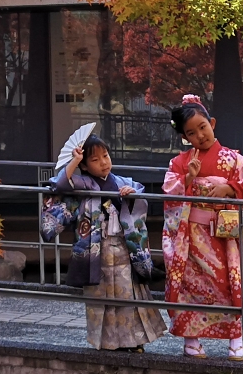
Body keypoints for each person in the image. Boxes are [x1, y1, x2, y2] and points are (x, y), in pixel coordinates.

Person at [41, 134, 166, 351]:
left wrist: (132, 193)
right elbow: (60, 184)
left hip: (124, 247)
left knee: (129, 294)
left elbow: (140, 191)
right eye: (95, 160)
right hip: (97, 250)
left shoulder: (122, 182)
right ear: (86, 166)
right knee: (102, 296)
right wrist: (74, 161)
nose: (103, 162)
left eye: (105, 156)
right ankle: (109, 342)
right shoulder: (83, 183)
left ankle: (134, 341)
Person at [162, 93, 243, 360]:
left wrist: (229, 187)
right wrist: (188, 179)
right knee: (190, 288)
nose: (200, 135)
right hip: (191, 237)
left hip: (224, 237)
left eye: (202, 127)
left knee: (229, 284)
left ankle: (235, 339)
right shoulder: (180, 163)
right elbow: (169, 194)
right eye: (191, 133)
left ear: (212, 123)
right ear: (185, 137)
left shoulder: (235, 161)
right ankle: (192, 341)